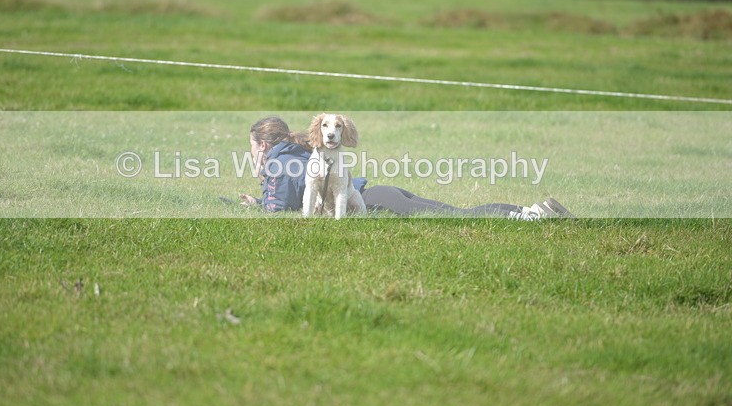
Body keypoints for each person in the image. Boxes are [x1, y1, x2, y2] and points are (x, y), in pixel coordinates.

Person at [238, 116, 573, 220]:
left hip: (375, 201)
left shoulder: (277, 164)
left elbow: (279, 206)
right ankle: (534, 210)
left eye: (252, 147)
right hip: (379, 191)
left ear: (263, 145)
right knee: (456, 210)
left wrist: (258, 193)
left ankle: (528, 216)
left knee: (457, 215)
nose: (252, 153)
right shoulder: (297, 150)